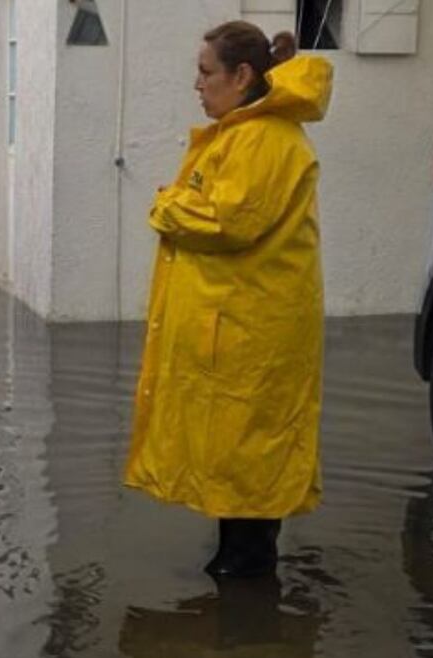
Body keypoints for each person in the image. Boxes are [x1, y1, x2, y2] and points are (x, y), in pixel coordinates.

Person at [125, 23, 332, 577]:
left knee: (251, 456)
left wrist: (164, 205)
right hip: (241, 330)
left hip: (251, 333)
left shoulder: (264, 138)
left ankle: (247, 592)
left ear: (241, 76)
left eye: (205, 72)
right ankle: (241, 586)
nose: (197, 84)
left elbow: (226, 219)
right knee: (239, 455)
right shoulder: (244, 134)